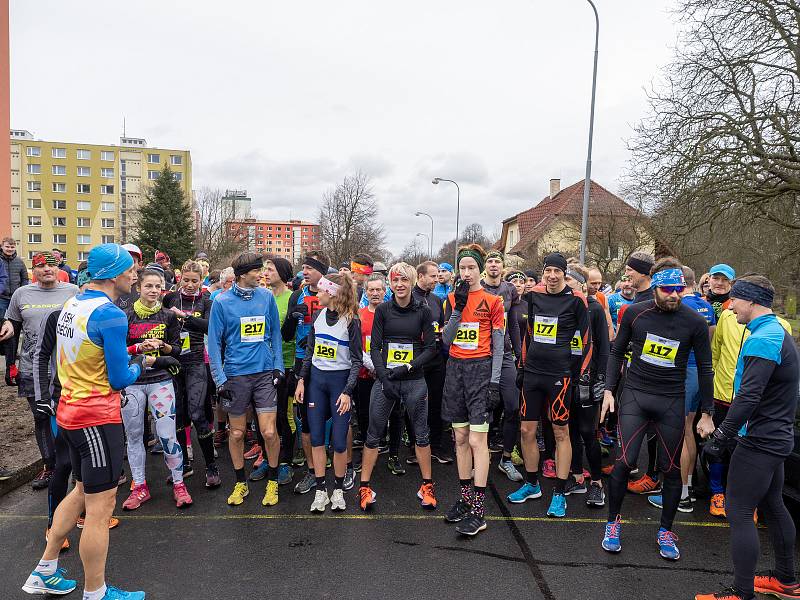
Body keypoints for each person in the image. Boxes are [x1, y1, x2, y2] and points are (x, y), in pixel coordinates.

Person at [21, 243, 149, 599]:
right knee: (99, 508)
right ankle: (96, 592)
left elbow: (90, 351)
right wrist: (144, 365)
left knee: (79, 492)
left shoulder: (71, 305)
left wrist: (129, 354)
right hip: (97, 417)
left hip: (70, 413)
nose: (135, 275)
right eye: (130, 269)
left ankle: (45, 569)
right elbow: (119, 378)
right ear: (112, 273)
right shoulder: (111, 314)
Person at [600, 258, 714, 561]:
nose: (674, 295)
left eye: (679, 289)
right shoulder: (635, 313)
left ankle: (665, 530)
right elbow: (616, 352)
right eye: (667, 289)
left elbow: (705, 368)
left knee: (670, 468)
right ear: (656, 289)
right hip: (636, 396)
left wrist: (707, 412)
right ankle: (612, 523)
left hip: (671, 400)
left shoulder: (694, 322)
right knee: (624, 462)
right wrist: (610, 390)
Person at [694, 276, 800, 600]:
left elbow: (749, 397)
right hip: (775, 437)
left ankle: (741, 593)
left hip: (759, 440)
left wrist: (721, 437)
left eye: (735, 300)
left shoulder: (763, 338)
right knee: (773, 503)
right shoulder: (774, 331)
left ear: (751, 301)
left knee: (738, 510)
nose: (730, 306)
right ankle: (786, 582)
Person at [508, 252, 589, 518]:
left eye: (558, 271)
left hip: (560, 375)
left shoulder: (576, 300)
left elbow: (587, 342)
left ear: (564, 274)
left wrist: (579, 374)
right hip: (532, 373)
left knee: (560, 432)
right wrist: (521, 366)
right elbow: (528, 334)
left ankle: (559, 492)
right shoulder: (534, 296)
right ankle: (532, 484)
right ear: (543, 272)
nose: (552, 276)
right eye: (548, 271)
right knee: (527, 430)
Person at [208, 251, 285, 507]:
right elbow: (214, 344)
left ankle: (272, 482)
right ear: (243, 275)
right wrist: (220, 380)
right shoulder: (221, 301)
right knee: (238, 433)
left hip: (264, 373)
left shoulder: (266, 297)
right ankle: (240, 483)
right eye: (256, 271)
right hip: (235, 376)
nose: (261, 274)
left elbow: (275, 334)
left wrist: (278, 367)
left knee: (269, 431)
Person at [359, 262, 437, 511]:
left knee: (421, 434)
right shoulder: (383, 309)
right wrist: (383, 376)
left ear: (412, 282)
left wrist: (408, 367)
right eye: (395, 281)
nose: (400, 285)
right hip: (387, 380)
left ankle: (427, 485)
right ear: (390, 284)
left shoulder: (423, 311)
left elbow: (431, 349)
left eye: (404, 280)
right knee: (373, 433)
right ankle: (364, 486)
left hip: (414, 380)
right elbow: (375, 347)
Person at [441, 244, 504, 536]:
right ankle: (465, 500)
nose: (466, 273)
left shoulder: (494, 301)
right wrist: (457, 308)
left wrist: (494, 382)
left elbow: (500, 347)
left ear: (479, 269)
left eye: (471, 268)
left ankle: (480, 510)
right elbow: (446, 341)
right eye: (462, 268)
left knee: (479, 441)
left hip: (480, 370)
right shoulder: (453, 297)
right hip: (456, 370)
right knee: (460, 438)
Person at [0, 252, 78, 490]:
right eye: (41, 266)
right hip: (31, 366)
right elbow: (12, 320)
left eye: (51, 265)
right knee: (41, 417)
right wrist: (8, 328)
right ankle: (50, 467)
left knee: (68, 418)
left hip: (65, 367)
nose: (47, 269)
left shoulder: (73, 292)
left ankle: (73, 467)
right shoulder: (21, 294)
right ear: (34, 270)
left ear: (58, 269)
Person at [121, 264, 190, 510]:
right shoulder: (125, 315)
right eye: (148, 286)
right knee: (135, 436)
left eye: (158, 287)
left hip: (161, 381)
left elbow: (178, 351)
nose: (153, 290)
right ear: (138, 287)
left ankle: (179, 484)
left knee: (167, 435)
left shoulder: (169, 316)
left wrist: (162, 349)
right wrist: (140, 355)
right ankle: (139, 486)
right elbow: (118, 354)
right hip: (133, 384)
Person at [648, 266, 715, 514]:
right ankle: (684, 491)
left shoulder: (679, 309)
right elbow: (708, 342)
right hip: (699, 372)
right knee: (687, 431)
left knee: (679, 433)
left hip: (683, 372)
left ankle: (681, 494)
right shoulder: (706, 307)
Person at [295, 272, 362, 512]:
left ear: (332, 293)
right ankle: (321, 490)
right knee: (316, 439)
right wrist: (302, 380)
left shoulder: (351, 320)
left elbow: (357, 361)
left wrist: (347, 391)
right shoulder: (318, 316)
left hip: (339, 385)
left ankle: (338, 490)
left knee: (339, 442)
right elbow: (310, 352)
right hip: (316, 383)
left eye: (321, 290)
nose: (318, 294)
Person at [163, 260, 220, 489]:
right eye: (185, 280)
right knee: (178, 416)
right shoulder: (170, 299)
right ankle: (184, 464)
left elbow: (209, 327)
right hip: (174, 360)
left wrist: (185, 318)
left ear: (201, 281)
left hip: (196, 361)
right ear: (180, 279)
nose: (189, 285)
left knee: (197, 414)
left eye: (194, 281)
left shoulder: (207, 301)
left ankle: (211, 466)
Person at [282, 251, 329, 494]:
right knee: (306, 420)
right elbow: (287, 335)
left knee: (334, 416)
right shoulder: (297, 295)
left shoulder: (331, 293)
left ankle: (341, 465)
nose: (305, 271)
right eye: (304, 267)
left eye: (310, 267)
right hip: (302, 364)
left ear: (321, 270)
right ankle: (312, 471)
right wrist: (292, 316)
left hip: (329, 364)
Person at [563, 265, 609, 507]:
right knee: (569, 432)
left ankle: (597, 483)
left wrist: (601, 378)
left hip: (588, 381)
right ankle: (577, 476)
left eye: (568, 278)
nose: (564, 281)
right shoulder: (562, 306)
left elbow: (604, 347)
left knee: (588, 432)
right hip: (565, 379)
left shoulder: (595, 309)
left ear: (581, 283)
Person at [251, 256, 296, 485]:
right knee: (263, 418)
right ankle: (269, 460)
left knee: (283, 416)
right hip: (261, 366)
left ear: (283, 273)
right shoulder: (261, 297)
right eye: (264, 269)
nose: (266, 272)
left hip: (286, 364)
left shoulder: (292, 298)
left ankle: (286, 462)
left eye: (271, 269)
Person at [480, 251, 523, 482]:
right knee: (483, 406)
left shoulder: (510, 290)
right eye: (490, 261)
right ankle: (481, 455)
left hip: (505, 354)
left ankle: (506, 458)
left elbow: (514, 324)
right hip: (482, 353)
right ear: (485, 267)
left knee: (513, 405)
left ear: (502, 266)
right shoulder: (476, 288)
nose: (494, 265)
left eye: (497, 261)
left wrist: (519, 355)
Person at [412, 260, 454, 464]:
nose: (437, 279)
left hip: (436, 358)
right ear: (420, 276)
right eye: (433, 275)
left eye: (438, 275)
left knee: (436, 402)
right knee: (415, 402)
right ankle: (415, 446)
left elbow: (442, 326)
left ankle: (436, 445)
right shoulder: (409, 297)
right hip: (417, 357)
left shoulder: (437, 300)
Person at [0, 236, 24, 386]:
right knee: (4, 334)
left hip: (15, 300)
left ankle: (11, 370)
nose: (10, 249)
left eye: (12, 247)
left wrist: (21, 294)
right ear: (2, 247)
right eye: (7, 246)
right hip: (1, 299)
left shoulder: (20, 262)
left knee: (13, 335)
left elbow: (25, 280)